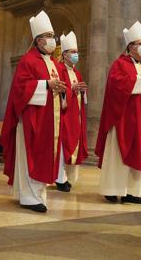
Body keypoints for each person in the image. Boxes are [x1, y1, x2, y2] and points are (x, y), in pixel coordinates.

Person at [0, 10, 68, 213]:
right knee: (31, 155)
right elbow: (20, 88)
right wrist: (46, 85)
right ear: (38, 40)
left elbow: (59, 87)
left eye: (52, 36)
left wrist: (63, 93)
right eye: (47, 36)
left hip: (50, 118)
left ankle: (37, 194)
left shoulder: (55, 63)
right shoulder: (27, 60)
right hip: (31, 119)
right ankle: (28, 196)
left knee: (44, 156)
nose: (51, 40)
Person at [95, 22, 141, 204]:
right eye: (140, 43)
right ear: (130, 47)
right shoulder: (119, 64)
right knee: (117, 155)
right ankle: (112, 190)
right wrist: (139, 81)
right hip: (122, 119)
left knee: (137, 154)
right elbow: (116, 85)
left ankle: (132, 193)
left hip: (140, 121)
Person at [55, 31, 88, 192]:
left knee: (72, 145)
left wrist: (82, 91)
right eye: (73, 52)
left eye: (77, 52)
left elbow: (80, 95)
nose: (76, 55)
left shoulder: (76, 72)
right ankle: (60, 178)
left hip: (76, 115)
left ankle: (67, 177)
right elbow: (59, 90)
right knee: (62, 145)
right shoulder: (59, 69)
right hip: (64, 115)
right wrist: (71, 89)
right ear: (65, 54)